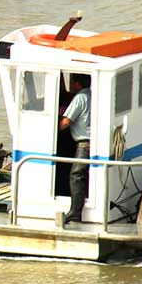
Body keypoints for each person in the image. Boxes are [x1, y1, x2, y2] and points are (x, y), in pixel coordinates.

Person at [59, 73, 91, 224]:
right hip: (90, 142)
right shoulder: (91, 95)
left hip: (84, 143)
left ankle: (75, 212)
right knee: (79, 174)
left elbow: (66, 121)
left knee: (76, 175)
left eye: (71, 81)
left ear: (77, 83)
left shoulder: (80, 97)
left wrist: (53, 130)